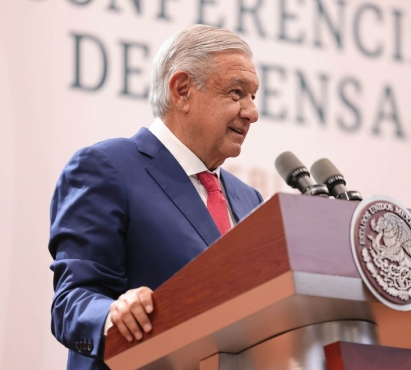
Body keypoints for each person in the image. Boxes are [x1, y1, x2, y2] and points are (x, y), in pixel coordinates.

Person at [48, 25, 262, 370]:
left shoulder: (250, 199)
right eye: (237, 93)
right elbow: (71, 303)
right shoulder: (107, 167)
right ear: (181, 90)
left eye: (254, 97)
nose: (251, 112)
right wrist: (113, 314)